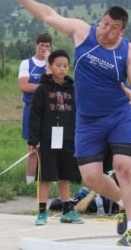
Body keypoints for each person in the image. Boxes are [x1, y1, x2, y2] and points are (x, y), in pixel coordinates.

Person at [6, 0, 131, 246]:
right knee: (91, 177)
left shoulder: (129, 52)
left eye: (114, 28)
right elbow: (49, 15)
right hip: (87, 120)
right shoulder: (83, 32)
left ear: (122, 30)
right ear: (102, 20)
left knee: (124, 168)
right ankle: (120, 201)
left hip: (119, 115)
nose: (106, 30)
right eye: (105, 23)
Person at [28, 49, 83, 226]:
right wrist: (33, 140)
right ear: (50, 67)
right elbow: (35, 116)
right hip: (47, 139)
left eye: (65, 66)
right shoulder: (41, 90)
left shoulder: (73, 90)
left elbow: (78, 114)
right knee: (46, 175)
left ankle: (67, 210)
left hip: (68, 138)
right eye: (58, 65)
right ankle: (42, 212)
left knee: (65, 174)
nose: (62, 69)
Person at [18, 32, 52, 184]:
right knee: (33, 148)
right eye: (41, 45)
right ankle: (30, 182)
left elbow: (53, 84)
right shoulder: (26, 63)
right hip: (31, 109)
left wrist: (47, 63)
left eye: (47, 46)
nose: (44, 48)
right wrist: (43, 87)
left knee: (50, 147)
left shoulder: (51, 64)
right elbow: (24, 86)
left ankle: (49, 180)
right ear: (36, 45)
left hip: (49, 110)